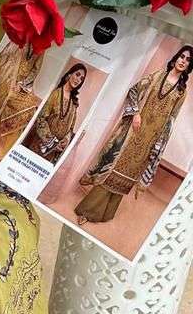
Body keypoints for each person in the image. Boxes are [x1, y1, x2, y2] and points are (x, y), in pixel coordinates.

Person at [75, 44, 191, 224]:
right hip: (132, 133)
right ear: (176, 57)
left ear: (190, 66)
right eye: (182, 56)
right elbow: (134, 90)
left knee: (127, 177)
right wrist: (135, 113)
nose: (183, 61)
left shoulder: (181, 92)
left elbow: (170, 121)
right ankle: (88, 211)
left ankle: (106, 214)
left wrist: (157, 146)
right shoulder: (157, 76)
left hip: (149, 141)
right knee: (114, 169)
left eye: (188, 60)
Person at [24, 63, 87, 164]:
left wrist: (66, 140)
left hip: (53, 154)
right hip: (39, 146)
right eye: (77, 74)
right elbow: (41, 119)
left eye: (81, 79)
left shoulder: (74, 104)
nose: (78, 79)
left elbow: (70, 129)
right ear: (69, 74)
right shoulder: (55, 94)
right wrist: (52, 143)